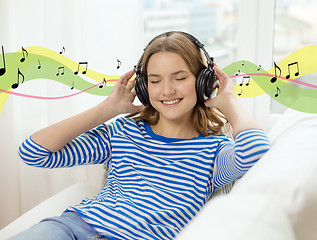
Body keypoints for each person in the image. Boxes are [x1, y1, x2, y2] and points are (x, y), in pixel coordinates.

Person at [11, 31, 270, 240]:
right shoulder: (122, 132)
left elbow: (256, 151)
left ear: (204, 81)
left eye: (179, 78)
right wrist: (108, 109)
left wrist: (228, 101)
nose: (167, 90)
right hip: (71, 227)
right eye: (155, 81)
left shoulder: (215, 149)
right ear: (144, 88)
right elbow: (34, 152)